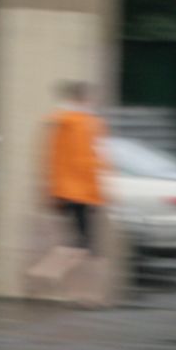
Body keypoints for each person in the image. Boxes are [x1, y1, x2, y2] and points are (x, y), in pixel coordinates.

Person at [46, 80, 106, 253]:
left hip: (77, 178)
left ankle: (85, 242)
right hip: (78, 178)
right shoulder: (82, 121)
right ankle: (85, 242)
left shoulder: (73, 120)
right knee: (78, 212)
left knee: (77, 212)